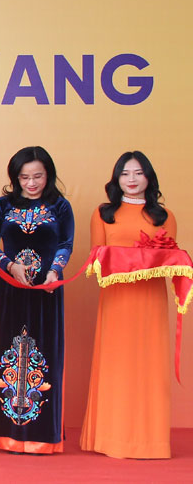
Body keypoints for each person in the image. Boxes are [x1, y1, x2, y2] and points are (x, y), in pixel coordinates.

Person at [80, 151, 175, 459]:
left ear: (149, 177)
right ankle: (111, 438)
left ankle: (150, 442)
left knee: (149, 364)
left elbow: (168, 259)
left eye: (138, 173)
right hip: (116, 298)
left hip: (151, 299)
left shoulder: (164, 216)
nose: (131, 179)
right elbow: (96, 257)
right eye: (125, 173)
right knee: (117, 363)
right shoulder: (103, 213)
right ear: (116, 179)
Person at [0, 146, 73, 454]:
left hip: (47, 290)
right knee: (9, 355)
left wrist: (55, 271)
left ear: (49, 175)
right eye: (24, 177)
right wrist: (9, 265)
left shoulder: (60, 206)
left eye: (38, 176)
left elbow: (65, 243)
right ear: (15, 177)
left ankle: (43, 437)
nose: (31, 183)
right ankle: (6, 435)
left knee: (46, 356)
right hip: (10, 288)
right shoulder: (3, 205)